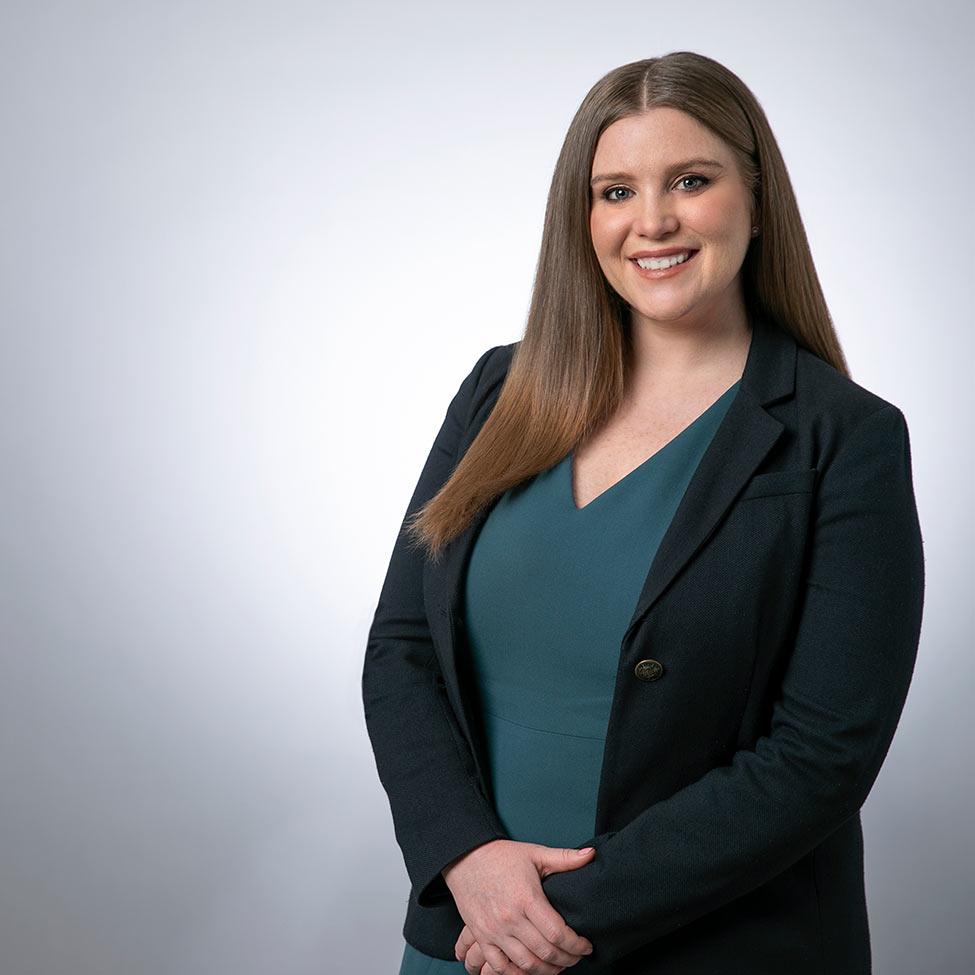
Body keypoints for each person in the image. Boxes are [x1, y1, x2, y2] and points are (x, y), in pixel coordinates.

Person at [362, 51, 925, 975]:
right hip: (469, 938)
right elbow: (401, 648)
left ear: (753, 195)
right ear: (581, 217)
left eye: (689, 181)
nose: (651, 220)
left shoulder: (843, 437)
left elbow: (822, 752)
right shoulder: (496, 391)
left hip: (701, 946)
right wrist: (465, 861)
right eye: (615, 190)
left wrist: (546, 920)